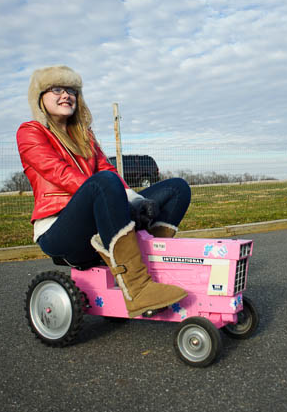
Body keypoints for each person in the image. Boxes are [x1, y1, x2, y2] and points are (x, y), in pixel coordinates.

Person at [16, 65, 190, 317]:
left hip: (101, 219)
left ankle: (150, 266)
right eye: (56, 89)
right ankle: (137, 289)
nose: (65, 95)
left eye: (71, 90)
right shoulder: (30, 132)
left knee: (177, 188)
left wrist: (136, 201)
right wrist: (113, 194)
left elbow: (108, 169)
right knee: (103, 181)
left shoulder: (84, 135)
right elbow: (58, 172)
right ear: (40, 98)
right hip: (59, 229)